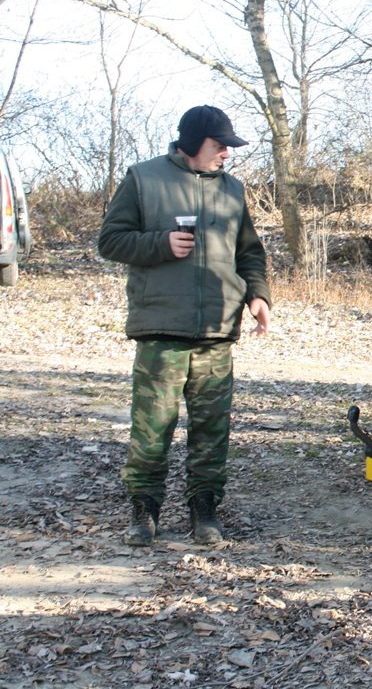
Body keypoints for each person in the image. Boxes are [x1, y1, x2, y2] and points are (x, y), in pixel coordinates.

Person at [99, 105, 272, 547]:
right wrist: (160, 243)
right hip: (161, 329)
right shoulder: (144, 178)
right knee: (152, 428)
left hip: (217, 329)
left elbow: (249, 251)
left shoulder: (232, 190)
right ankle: (144, 511)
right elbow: (111, 240)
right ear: (193, 142)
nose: (227, 155)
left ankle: (205, 510)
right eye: (220, 146)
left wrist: (258, 295)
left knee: (212, 429)